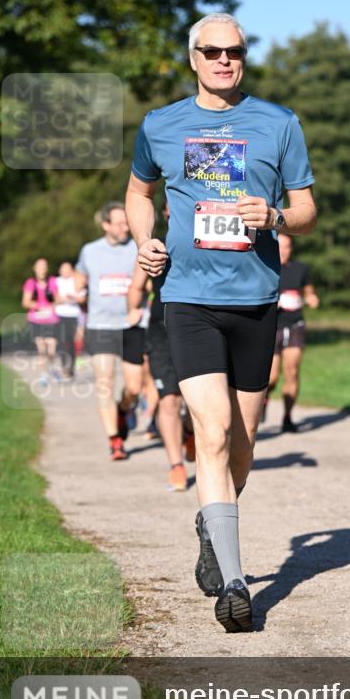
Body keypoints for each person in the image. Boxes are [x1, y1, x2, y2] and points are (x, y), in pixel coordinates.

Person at [126, 12, 316, 632]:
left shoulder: (279, 123)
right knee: (209, 432)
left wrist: (276, 217)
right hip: (187, 299)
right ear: (194, 58)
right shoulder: (160, 125)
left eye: (234, 51)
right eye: (212, 52)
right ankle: (236, 585)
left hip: (256, 300)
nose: (224, 61)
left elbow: (308, 209)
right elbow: (138, 194)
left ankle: (212, 522)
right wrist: (144, 242)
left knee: (243, 442)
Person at [127, 202, 196, 492]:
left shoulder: (204, 240)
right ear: (165, 212)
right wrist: (133, 308)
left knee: (197, 402)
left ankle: (192, 433)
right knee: (168, 400)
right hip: (160, 330)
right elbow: (137, 286)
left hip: (197, 328)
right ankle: (176, 466)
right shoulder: (156, 245)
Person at [74, 202, 143, 461]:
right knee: (105, 382)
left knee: (134, 388)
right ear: (106, 225)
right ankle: (115, 440)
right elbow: (80, 279)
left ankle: (123, 410)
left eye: (127, 222)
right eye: (119, 223)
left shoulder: (137, 247)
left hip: (132, 324)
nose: (125, 227)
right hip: (100, 325)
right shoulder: (90, 251)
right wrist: (77, 291)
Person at [265, 233, 319, 432]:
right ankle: (264, 396)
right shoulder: (266, 267)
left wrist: (312, 298)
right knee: (271, 378)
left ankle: (287, 417)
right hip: (273, 326)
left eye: (287, 247)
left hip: (295, 325)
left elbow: (309, 291)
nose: (283, 251)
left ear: (291, 248)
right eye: (280, 246)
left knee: (292, 372)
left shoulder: (300, 269)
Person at [21, 258, 59, 386]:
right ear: (34, 268)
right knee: (42, 349)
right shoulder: (30, 283)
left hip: (51, 319)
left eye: (44, 267)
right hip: (36, 320)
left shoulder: (52, 281)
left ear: (47, 269)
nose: (42, 269)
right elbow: (25, 302)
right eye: (40, 267)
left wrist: (52, 305)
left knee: (52, 349)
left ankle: (52, 367)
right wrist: (39, 306)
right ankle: (43, 375)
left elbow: (58, 300)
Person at [54, 261, 85, 379]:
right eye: (63, 269)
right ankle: (63, 367)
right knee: (61, 342)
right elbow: (52, 297)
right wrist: (59, 299)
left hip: (73, 315)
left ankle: (71, 367)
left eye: (67, 269)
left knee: (71, 343)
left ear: (71, 270)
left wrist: (72, 297)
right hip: (59, 314)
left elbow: (82, 298)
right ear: (60, 271)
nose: (65, 272)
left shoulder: (76, 282)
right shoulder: (56, 281)